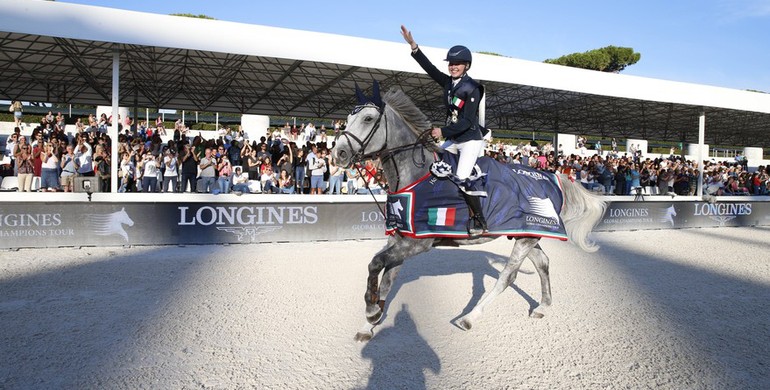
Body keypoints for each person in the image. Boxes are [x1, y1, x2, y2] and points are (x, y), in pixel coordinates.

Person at [401, 25, 488, 235]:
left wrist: (442, 132)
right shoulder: (449, 83)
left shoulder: (472, 88)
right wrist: (414, 46)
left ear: (466, 66)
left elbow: (467, 121)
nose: (453, 67)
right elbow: (430, 69)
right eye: (451, 63)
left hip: (469, 140)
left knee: (461, 179)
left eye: (457, 64)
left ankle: (479, 220)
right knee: (436, 169)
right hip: (453, 139)